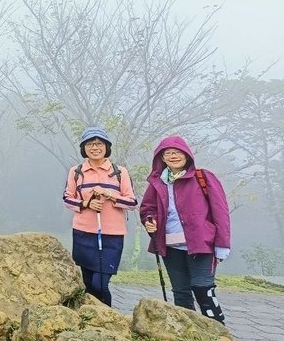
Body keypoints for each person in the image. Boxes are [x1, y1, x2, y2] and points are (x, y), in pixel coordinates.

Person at [139, 136, 231, 322]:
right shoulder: (157, 183)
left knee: (202, 288)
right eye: (168, 153)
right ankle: (189, 335)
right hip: (170, 246)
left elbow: (221, 212)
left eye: (177, 152)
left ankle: (218, 329)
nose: (173, 156)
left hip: (200, 244)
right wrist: (150, 220)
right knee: (180, 292)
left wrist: (222, 244)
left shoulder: (203, 177)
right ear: (161, 158)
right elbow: (148, 208)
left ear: (187, 154)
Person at [62, 126, 137, 307]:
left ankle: (106, 320)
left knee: (100, 283)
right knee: (89, 283)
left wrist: (109, 195)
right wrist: (86, 203)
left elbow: (132, 203)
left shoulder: (120, 172)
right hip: (83, 233)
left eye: (99, 143)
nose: (95, 147)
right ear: (84, 148)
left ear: (106, 147)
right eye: (90, 144)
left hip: (112, 235)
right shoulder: (76, 171)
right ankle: (92, 322)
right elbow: (67, 199)